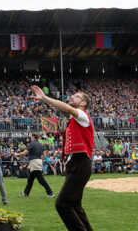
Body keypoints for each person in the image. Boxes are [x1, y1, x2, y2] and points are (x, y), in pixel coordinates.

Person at [31, 86, 94, 231]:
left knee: (62, 204)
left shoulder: (82, 115)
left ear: (83, 103)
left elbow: (67, 108)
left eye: (77, 96)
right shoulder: (75, 120)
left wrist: (45, 98)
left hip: (80, 163)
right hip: (75, 164)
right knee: (75, 206)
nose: (72, 97)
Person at [15, 132, 55, 198]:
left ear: (33, 137)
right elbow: (44, 154)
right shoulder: (41, 144)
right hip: (38, 161)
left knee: (41, 180)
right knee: (30, 179)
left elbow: (24, 153)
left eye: (31, 137)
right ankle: (26, 193)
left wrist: (17, 154)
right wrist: (41, 160)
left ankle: (50, 193)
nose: (30, 138)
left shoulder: (31, 144)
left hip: (34, 162)